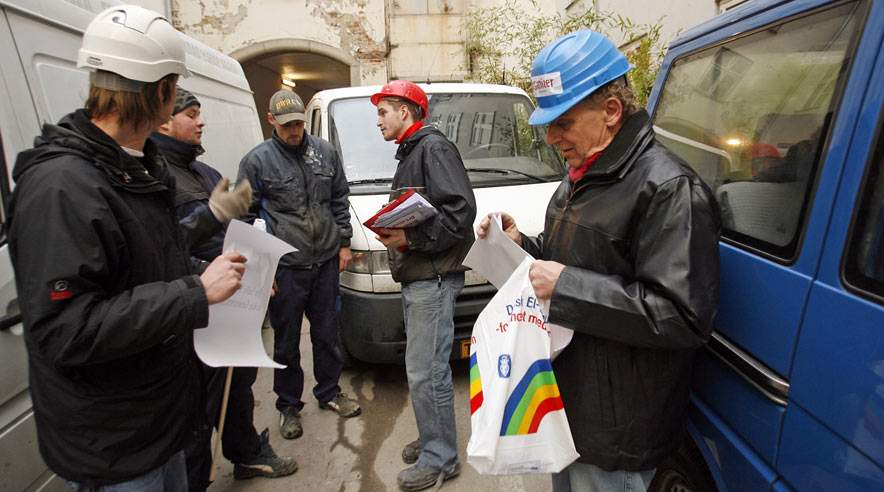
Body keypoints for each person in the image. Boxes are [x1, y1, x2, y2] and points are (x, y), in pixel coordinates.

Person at [7, 5, 249, 490]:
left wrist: (212, 222)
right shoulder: (61, 187)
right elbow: (65, 329)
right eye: (176, 87)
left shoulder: (133, 163)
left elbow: (142, 255)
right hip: (116, 446)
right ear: (161, 91)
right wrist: (194, 294)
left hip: (159, 421)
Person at [478, 30, 721, 492]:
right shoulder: (584, 174)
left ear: (610, 112)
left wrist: (567, 286)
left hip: (617, 436)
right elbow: (571, 259)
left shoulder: (669, 189)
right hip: (567, 413)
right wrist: (523, 246)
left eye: (563, 123)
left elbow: (682, 316)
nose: (552, 137)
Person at [152, 87, 297, 486]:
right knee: (200, 407)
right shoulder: (155, 175)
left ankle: (245, 452)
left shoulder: (203, 171)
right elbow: (164, 250)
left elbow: (236, 231)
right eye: (191, 114)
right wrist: (210, 270)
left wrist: (257, 269)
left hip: (234, 298)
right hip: (195, 309)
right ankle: (196, 478)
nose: (201, 122)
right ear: (164, 120)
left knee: (238, 384)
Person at [371, 80, 476, 491]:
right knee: (422, 369)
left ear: (406, 112)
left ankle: (441, 459)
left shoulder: (433, 149)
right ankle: (436, 438)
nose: (378, 120)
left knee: (426, 370)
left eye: (383, 111)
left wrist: (409, 239)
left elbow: (460, 213)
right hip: (422, 278)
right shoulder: (414, 152)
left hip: (432, 279)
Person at [237, 89, 359, 442]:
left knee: (326, 332)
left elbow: (339, 198)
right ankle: (288, 404)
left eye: (298, 124)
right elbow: (246, 216)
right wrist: (261, 269)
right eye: (287, 124)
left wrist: (345, 242)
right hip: (285, 267)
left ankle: (330, 391)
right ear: (271, 120)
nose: (294, 131)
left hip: (324, 262)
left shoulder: (324, 153)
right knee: (286, 341)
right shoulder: (256, 162)